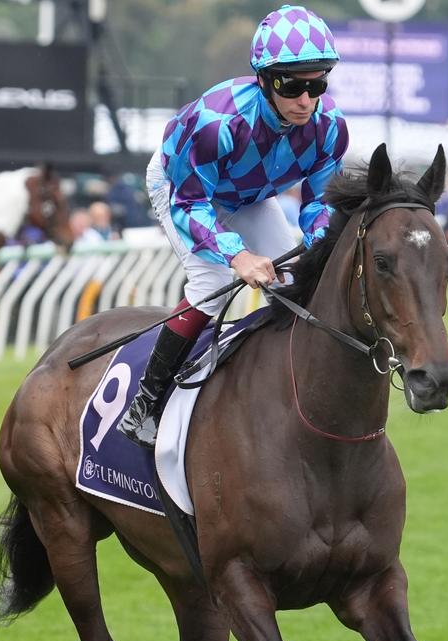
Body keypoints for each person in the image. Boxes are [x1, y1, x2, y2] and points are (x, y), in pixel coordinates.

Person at [117, 3, 348, 449]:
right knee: (213, 279)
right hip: (184, 188)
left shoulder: (330, 128)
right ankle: (145, 404)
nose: (306, 99)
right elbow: (190, 204)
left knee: (300, 277)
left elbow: (319, 203)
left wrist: (318, 247)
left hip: (250, 195)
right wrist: (238, 255)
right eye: (292, 85)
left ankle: (287, 385)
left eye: (317, 83)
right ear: (264, 80)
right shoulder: (216, 122)